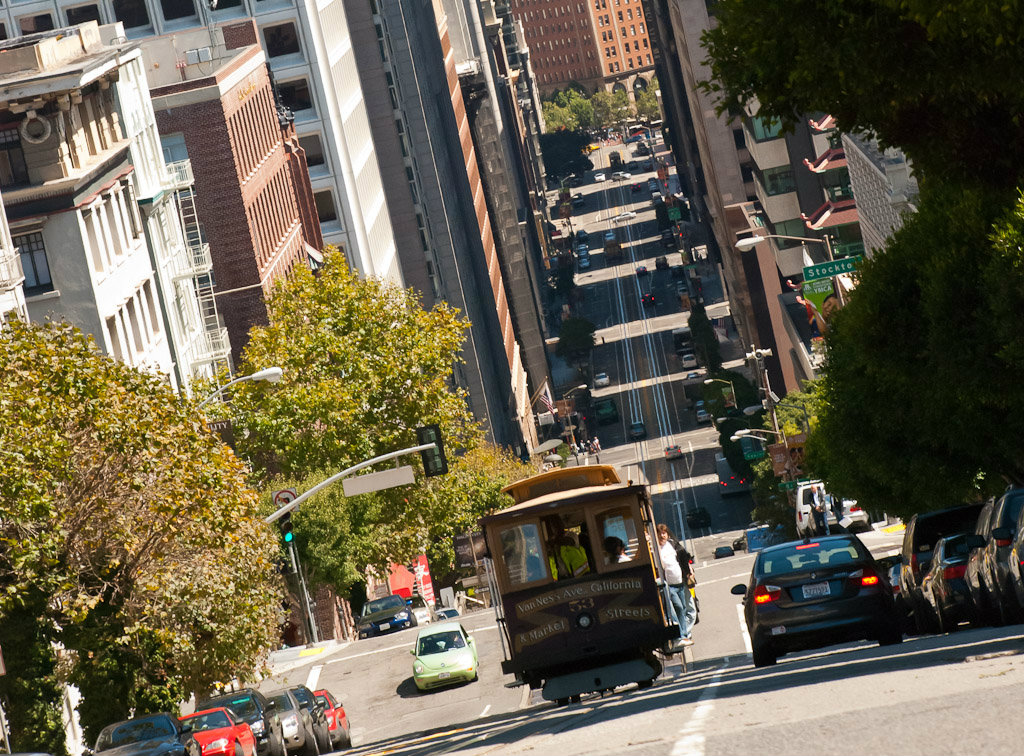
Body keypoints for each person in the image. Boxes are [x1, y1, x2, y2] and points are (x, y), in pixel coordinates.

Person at [656, 523, 696, 646]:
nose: (663, 535)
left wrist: (689, 572)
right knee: (678, 607)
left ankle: (684, 636)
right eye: (660, 533)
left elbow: (683, 557)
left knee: (683, 609)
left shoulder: (671, 544)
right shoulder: (656, 549)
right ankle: (679, 636)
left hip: (680, 581)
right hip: (670, 585)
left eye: (664, 533)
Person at [545, 516, 591, 580]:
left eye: (558, 524)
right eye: (553, 526)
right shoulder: (553, 542)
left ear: (562, 524)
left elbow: (567, 541)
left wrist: (551, 542)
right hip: (563, 578)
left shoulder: (571, 535)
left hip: (582, 575)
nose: (555, 527)